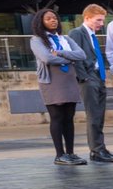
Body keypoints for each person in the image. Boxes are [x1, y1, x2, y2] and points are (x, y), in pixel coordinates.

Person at [30, 8, 87, 165]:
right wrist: (70, 59)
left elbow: (81, 55)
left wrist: (61, 53)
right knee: (57, 117)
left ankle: (70, 153)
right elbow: (47, 58)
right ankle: (59, 155)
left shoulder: (65, 39)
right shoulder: (36, 40)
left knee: (69, 118)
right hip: (51, 81)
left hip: (69, 80)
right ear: (40, 22)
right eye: (48, 18)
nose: (53, 20)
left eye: (54, 18)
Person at [68, 5, 113, 163]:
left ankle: (100, 149)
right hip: (89, 78)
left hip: (98, 77)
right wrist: (83, 78)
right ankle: (96, 151)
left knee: (99, 115)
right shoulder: (77, 33)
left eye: (102, 21)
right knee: (93, 116)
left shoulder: (92, 35)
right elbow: (75, 56)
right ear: (87, 18)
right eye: (98, 20)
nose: (101, 24)